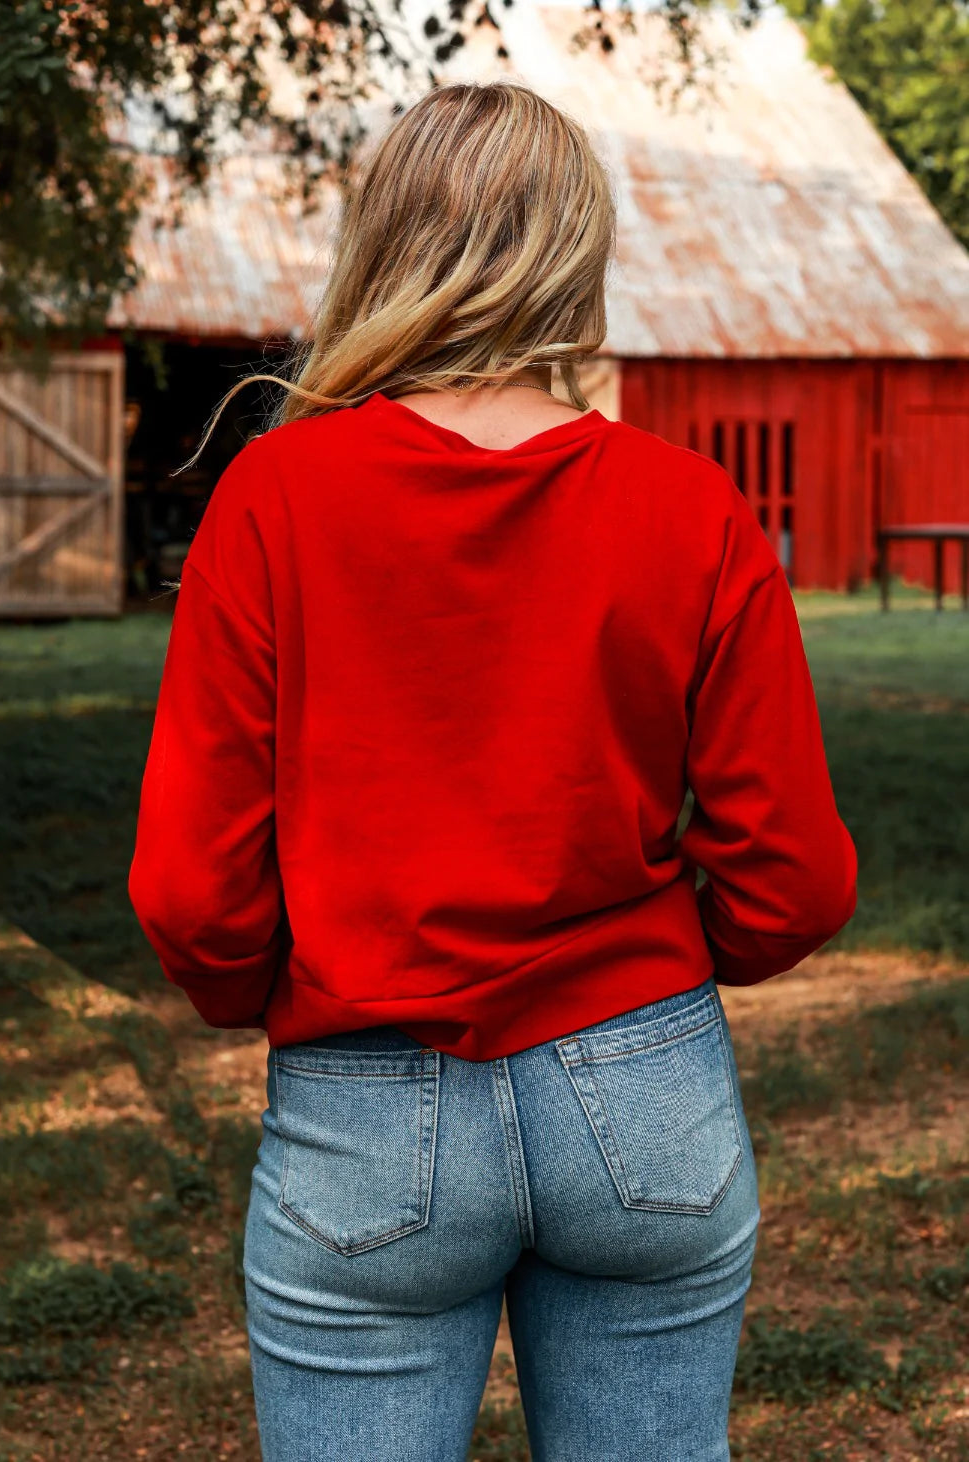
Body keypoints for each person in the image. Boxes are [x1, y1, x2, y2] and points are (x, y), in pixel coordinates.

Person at [128, 79, 858, 1462]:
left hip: (366, 1091)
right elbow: (798, 876)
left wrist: (256, 987)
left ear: (385, 245)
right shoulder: (689, 503)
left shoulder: (275, 498)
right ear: (573, 255)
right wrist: (654, 974)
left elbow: (187, 887)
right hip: (645, 1094)